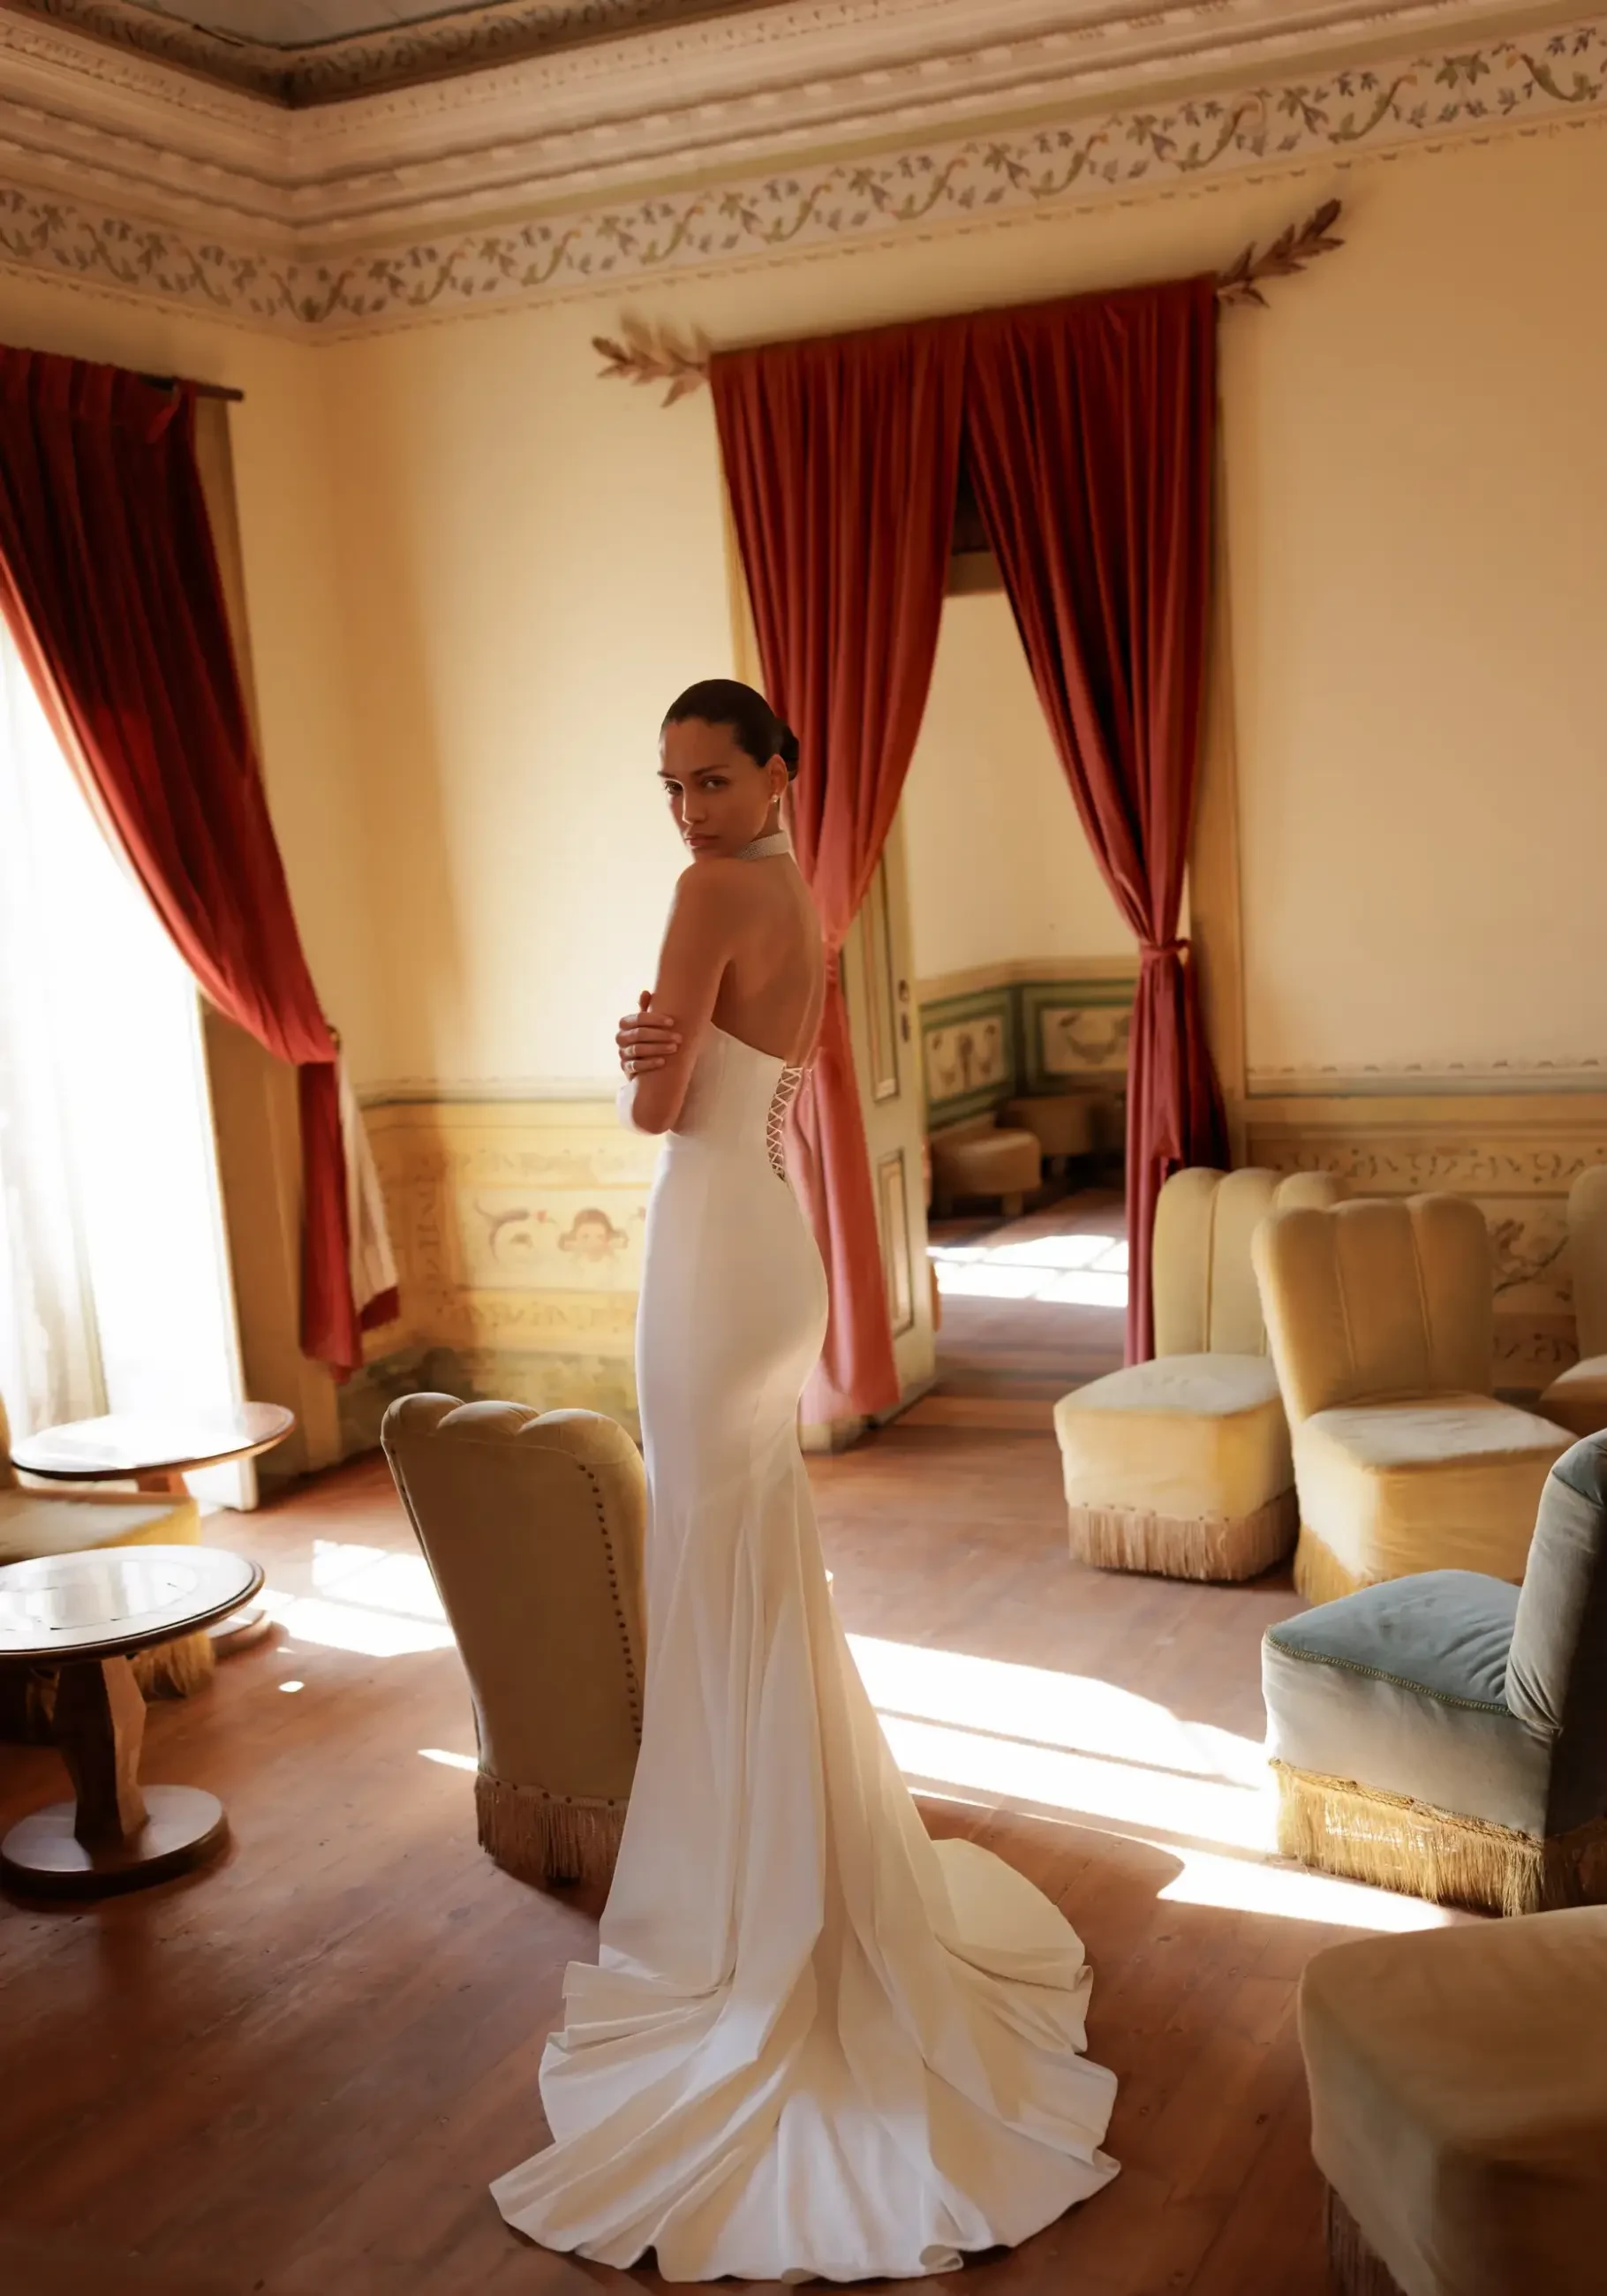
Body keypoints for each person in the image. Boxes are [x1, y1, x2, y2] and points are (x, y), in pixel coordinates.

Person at [491, 679, 1117, 2280]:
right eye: (669, 787)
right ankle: (789, 1865)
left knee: (714, 1565)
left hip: (712, 1247)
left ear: (778, 770)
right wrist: (670, 1049)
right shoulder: (797, 890)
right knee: (746, 1562)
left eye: (711, 777)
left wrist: (639, 1051)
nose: (687, 810)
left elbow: (655, 1108)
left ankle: (742, 1904)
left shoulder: (710, 892)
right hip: (770, 1248)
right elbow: (742, 1077)